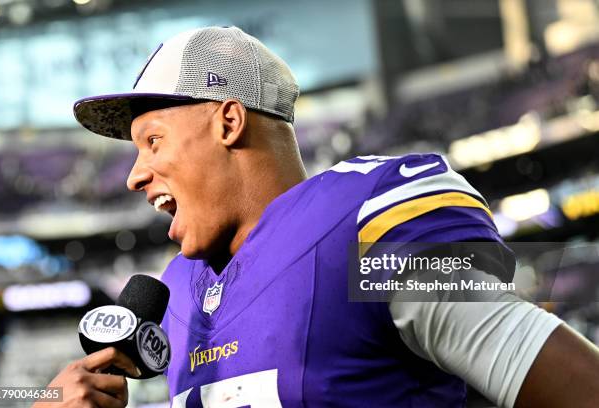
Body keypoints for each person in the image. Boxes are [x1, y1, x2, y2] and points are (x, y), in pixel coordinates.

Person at [38, 26, 599, 408]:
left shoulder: (364, 226)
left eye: (152, 141)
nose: (136, 175)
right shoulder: (178, 290)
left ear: (229, 123)